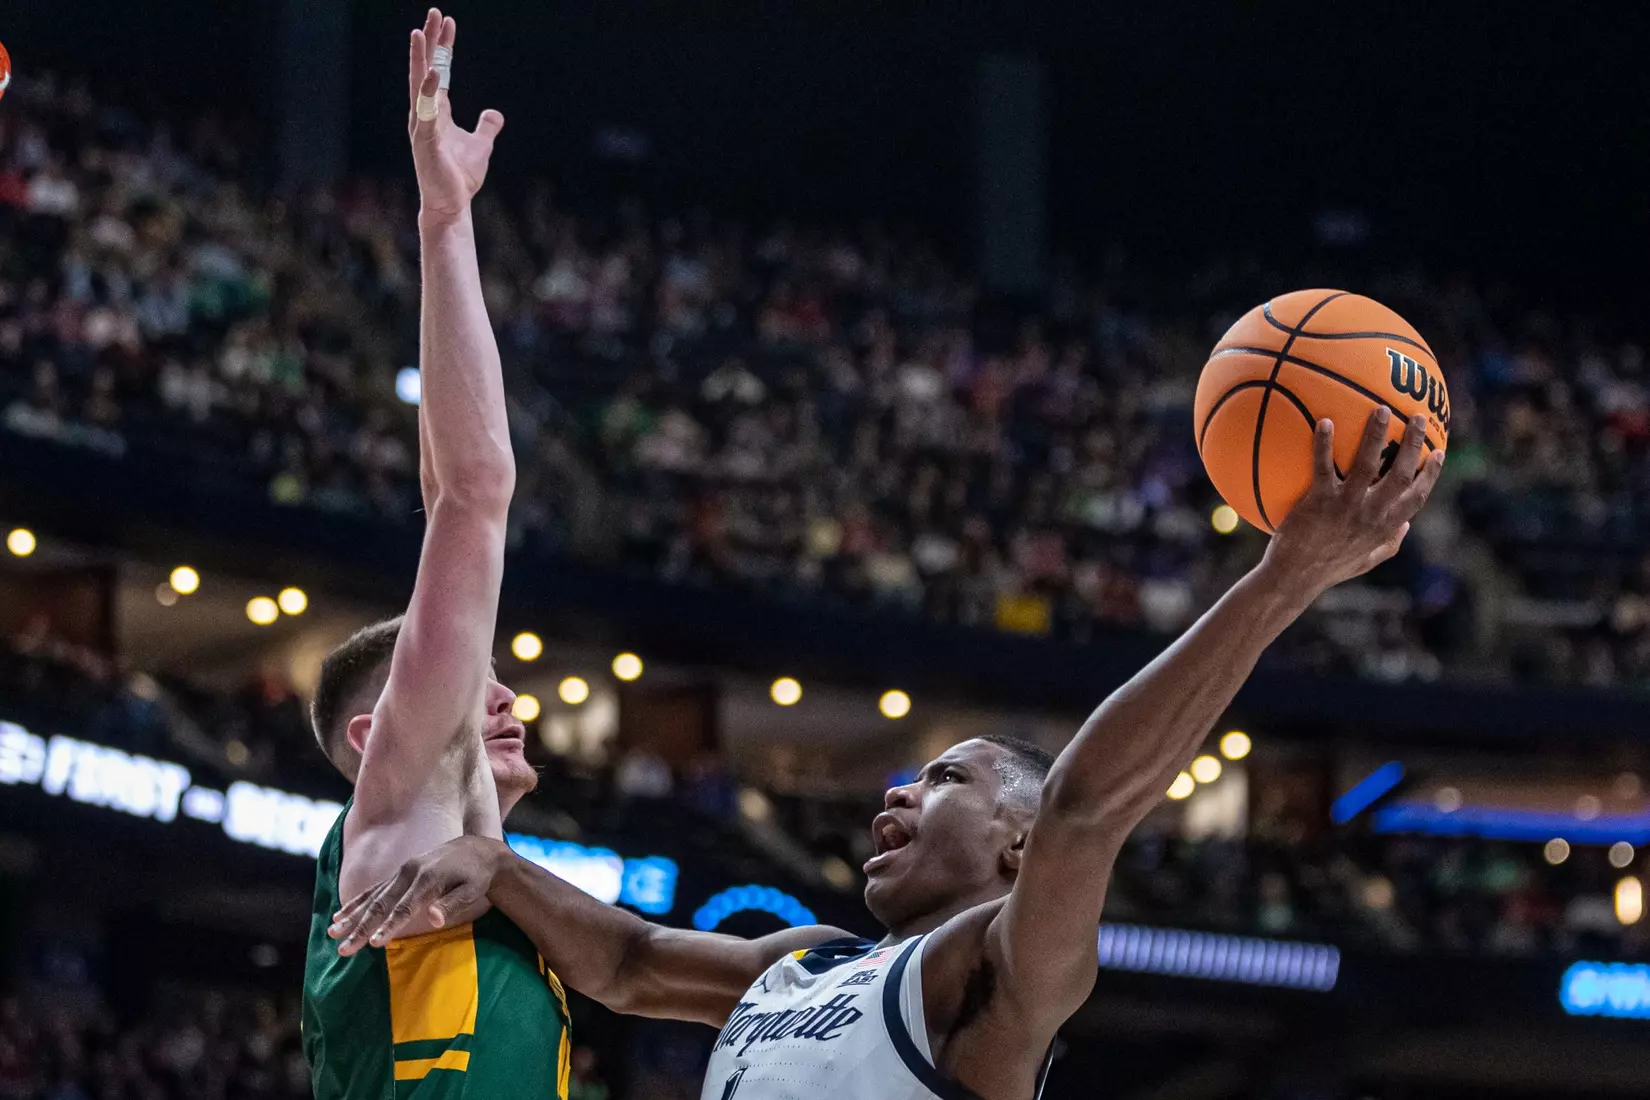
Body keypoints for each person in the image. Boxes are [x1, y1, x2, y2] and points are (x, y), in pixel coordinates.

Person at [331, 408, 1443, 1099]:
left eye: (947, 776)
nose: (899, 789)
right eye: (910, 774)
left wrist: (1283, 578)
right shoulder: (803, 960)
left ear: (1016, 838)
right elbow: (623, 961)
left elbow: (1090, 808)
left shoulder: (996, 977)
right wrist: (500, 866)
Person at [301, 11, 572, 1099]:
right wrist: (444, 220)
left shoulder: (470, 857)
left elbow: (442, 502)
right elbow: (470, 492)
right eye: (471, 686)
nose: (506, 699)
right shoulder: (404, 813)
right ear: (379, 737)